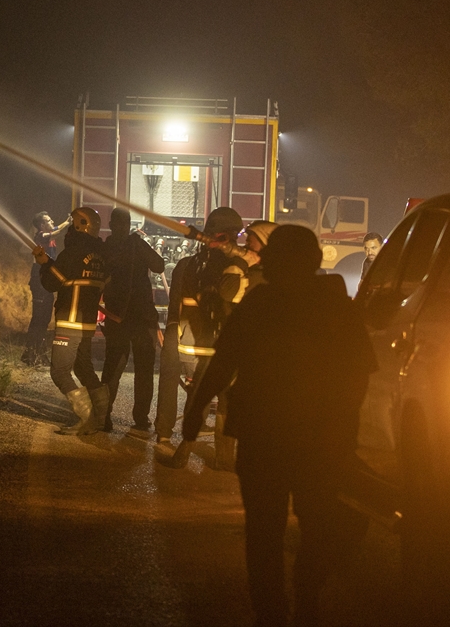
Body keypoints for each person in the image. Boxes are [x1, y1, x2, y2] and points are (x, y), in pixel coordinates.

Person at [174, 225, 376, 626]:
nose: (263, 260)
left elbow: (223, 362)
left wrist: (196, 411)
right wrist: (345, 427)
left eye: (271, 255)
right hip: (320, 441)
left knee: (264, 533)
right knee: (318, 527)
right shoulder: (337, 307)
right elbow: (361, 373)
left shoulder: (259, 304)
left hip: (264, 439)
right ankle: (306, 600)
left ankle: (271, 612)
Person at [154, 206, 249, 445]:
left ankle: (165, 434)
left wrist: (170, 342)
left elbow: (174, 311)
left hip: (186, 342)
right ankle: (200, 440)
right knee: (212, 394)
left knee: (186, 387)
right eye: (235, 236)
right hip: (214, 347)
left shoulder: (187, 265)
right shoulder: (234, 269)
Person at [33, 206, 109, 435]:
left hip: (70, 320)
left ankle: (86, 419)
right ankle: (101, 418)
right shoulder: (101, 255)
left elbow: (53, 282)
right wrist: (49, 262)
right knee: (84, 368)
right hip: (87, 322)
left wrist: (44, 264)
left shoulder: (72, 252)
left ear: (78, 226)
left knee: (59, 371)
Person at [99, 207, 165, 435]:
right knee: (143, 370)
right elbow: (159, 265)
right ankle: (140, 418)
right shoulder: (136, 244)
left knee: (113, 368)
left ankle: (104, 416)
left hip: (117, 317)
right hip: (141, 318)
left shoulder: (105, 248)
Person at [22, 211, 69, 365]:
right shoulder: (41, 236)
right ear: (42, 225)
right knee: (38, 317)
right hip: (39, 277)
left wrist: (67, 221)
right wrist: (67, 224)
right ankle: (30, 353)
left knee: (45, 318)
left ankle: (39, 352)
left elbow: (56, 228)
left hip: (47, 277)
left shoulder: (48, 232)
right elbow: (56, 232)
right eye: (49, 221)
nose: (52, 222)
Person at [241, 220, 278, 293]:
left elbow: (229, 292)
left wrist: (238, 264)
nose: (245, 247)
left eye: (249, 243)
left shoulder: (259, 277)